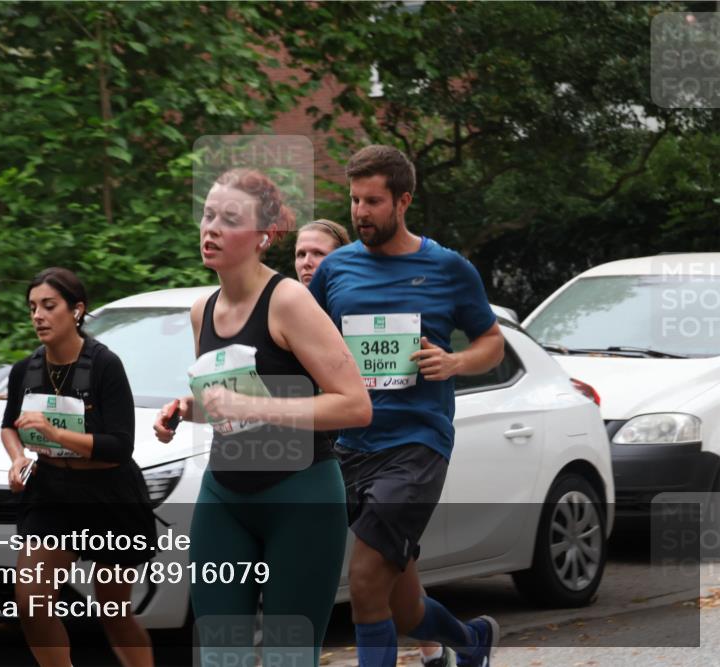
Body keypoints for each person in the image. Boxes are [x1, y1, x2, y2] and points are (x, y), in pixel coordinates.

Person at [153, 168, 372, 666]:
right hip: (224, 495)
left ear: (263, 237)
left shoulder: (288, 301)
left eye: (229, 219)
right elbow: (224, 403)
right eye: (208, 215)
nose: (210, 228)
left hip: (301, 497)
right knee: (218, 657)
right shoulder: (201, 310)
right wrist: (187, 409)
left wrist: (256, 405)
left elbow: (356, 404)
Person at [308, 146, 506, 667]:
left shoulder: (447, 268)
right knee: (403, 606)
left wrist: (455, 362)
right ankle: (471, 641)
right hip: (350, 444)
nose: (359, 212)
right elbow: (306, 343)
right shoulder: (336, 270)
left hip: (417, 444)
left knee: (367, 580)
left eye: (372, 201)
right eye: (354, 200)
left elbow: (492, 342)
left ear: (403, 201)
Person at [294, 223, 456, 667]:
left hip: (408, 448)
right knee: (400, 593)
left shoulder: (369, 298)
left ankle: (439, 646)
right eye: (301, 254)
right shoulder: (294, 315)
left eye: (319, 254)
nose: (308, 263)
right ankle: (465, 640)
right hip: (343, 451)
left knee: (366, 580)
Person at [2, 267, 156, 667]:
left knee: (112, 613)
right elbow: (8, 427)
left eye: (49, 306)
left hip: (109, 496)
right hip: (53, 495)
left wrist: (55, 434)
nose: (37, 315)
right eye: (32, 307)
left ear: (76, 311)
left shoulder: (105, 365)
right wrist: (18, 458)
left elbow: (119, 447)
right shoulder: (25, 370)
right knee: (31, 602)